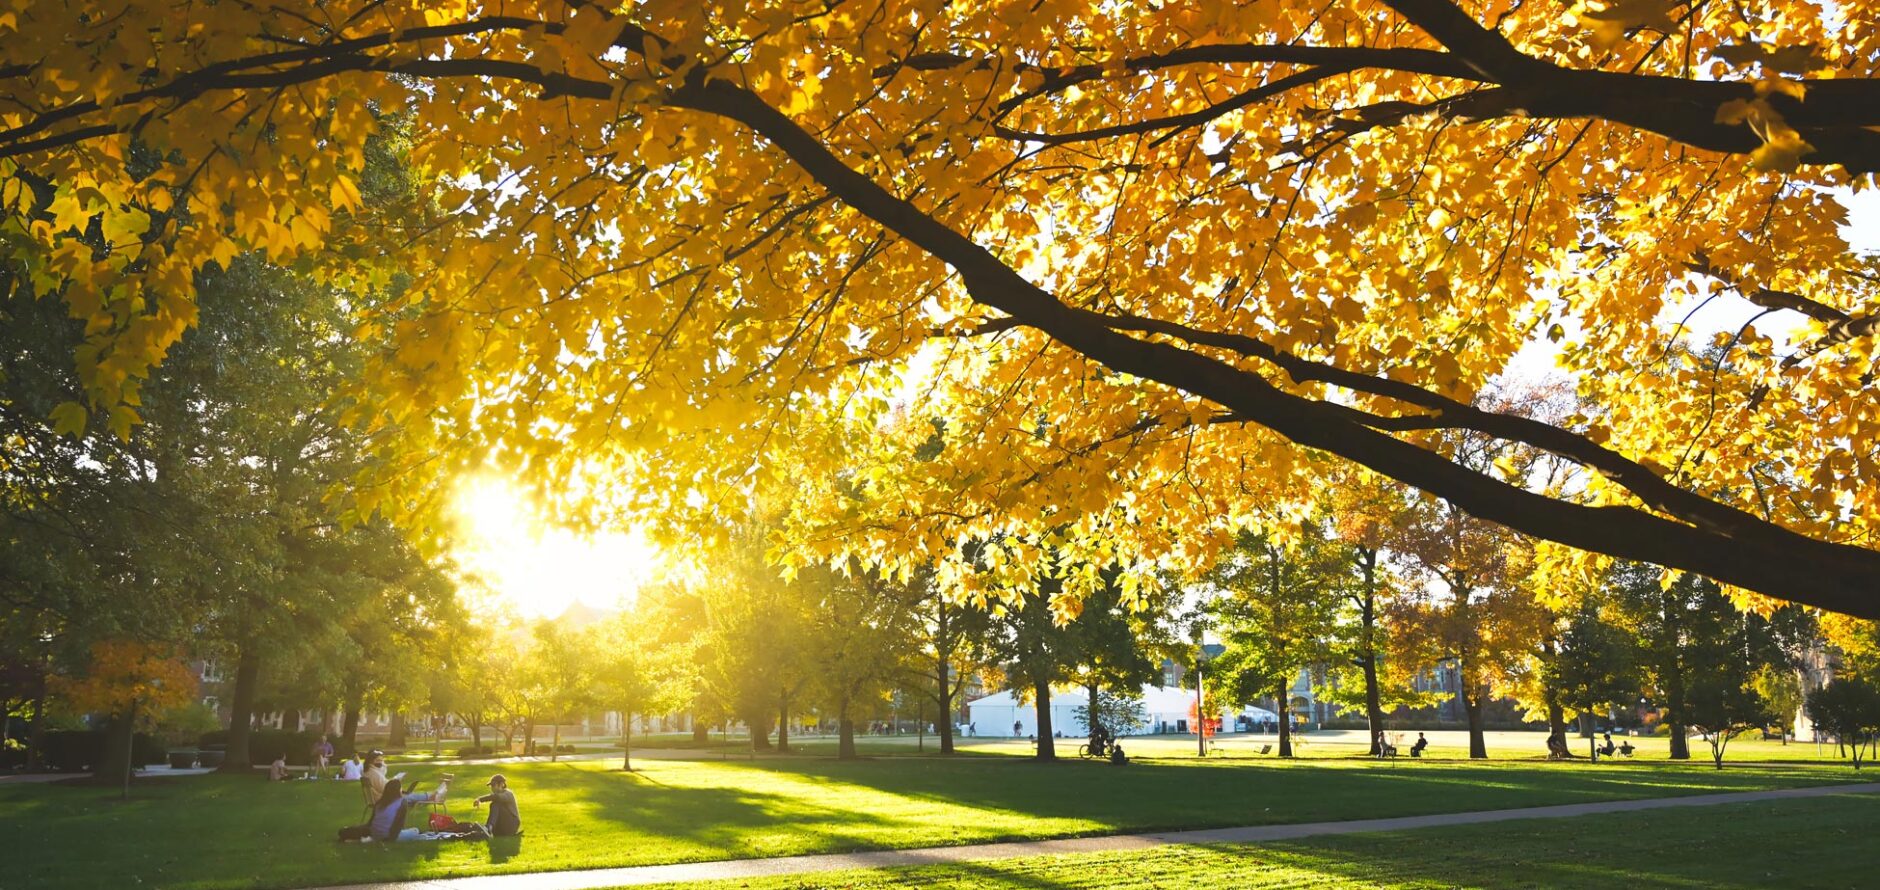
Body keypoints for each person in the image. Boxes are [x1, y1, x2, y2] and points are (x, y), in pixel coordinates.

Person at [367, 777, 452, 841]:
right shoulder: (401, 802)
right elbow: (399, 824)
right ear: (398, 790)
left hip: (374, 834)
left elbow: (371, 822)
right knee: (415, 831)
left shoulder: (379, 802)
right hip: (390, 836)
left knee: (413, 832)